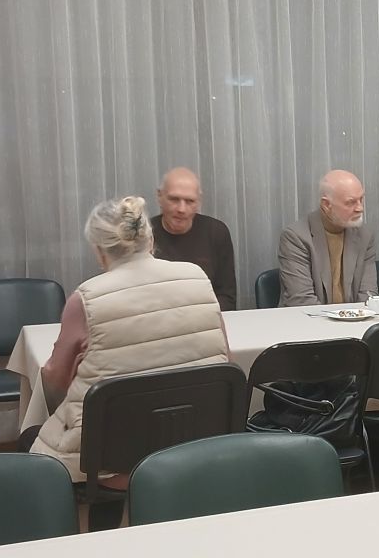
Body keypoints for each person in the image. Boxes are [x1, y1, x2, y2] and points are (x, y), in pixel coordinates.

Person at [22, 196, 229, 530]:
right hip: (193, 445)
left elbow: (56, 380)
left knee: (33, 436)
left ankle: (75, 536)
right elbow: (223, 363)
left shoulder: (87, 298)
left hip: (110, 463)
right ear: (150, 238)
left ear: (99, 250)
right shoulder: (197, 278)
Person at [278, 169, 377, 306]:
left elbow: (368, 295)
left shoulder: (365, 236)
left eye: (361, 199)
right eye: (351, 202)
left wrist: (357, 316)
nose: (360, 208)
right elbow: (301, 300)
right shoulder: (296, 237)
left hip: (354, 318)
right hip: (307, 318)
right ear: (326, 205)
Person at [151, 167, 237, 311]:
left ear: (199, 202)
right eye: (174, 199)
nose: (181, 209)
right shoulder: (143, 237)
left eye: (190, 201)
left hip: (205, 319)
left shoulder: (216, 233)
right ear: (160, 197)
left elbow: (227, 297)